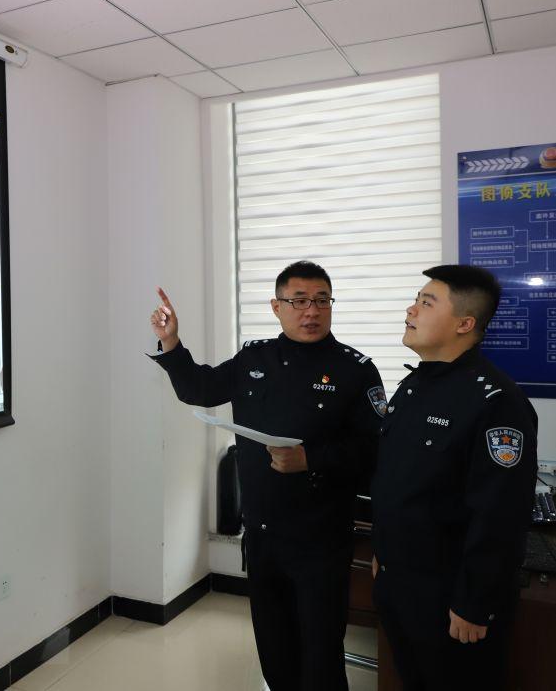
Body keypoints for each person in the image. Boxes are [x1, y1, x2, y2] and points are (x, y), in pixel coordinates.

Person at [149, 260, 384, 691]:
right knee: (275, 652)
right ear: (277, 307)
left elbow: (375, 450)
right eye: (299, 301)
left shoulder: (355, 369)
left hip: (321, 540)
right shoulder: (254, 358)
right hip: (261, 535)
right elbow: (200, 388)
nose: (311, 311)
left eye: (322, 301)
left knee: (320, 658)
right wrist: (172, 342)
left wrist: (310, 458)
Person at [370, 264, 538, 690]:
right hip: (398, 582)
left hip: (449, 599)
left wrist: (475, 603)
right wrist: (383, 555)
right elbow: (397, 482)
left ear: (464, 323)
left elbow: (501, 515)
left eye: (427, 303)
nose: (411, 310)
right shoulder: (413, 386)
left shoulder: (496, 402)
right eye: (416, 300)